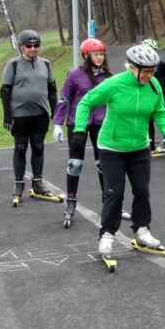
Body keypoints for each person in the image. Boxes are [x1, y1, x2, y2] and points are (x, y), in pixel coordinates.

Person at [71, 44, 165, 258]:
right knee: (115, 192)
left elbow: (159, 113)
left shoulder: (154, 85)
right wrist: (80, 130)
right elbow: (85, 103)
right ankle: (107, 235)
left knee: (141, 190)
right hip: (112, 148)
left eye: (152, 70)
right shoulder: (115, 84)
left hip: (139, 147)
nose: (149, 75)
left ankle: (142, 230)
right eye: (145, 71)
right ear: (132, 67)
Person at [53, 38, 112, 225]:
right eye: (96, 54)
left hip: (100, 124)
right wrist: (57, 123)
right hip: (76, 124)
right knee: (75, 164)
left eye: (102, 54)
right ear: (86, 55)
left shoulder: (108, 76)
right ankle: (71, 200)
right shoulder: (74, 75)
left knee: (103, 163)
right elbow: (64, 99)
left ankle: (108, 202)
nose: (100, 57)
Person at [0, 30, 58, 204]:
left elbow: (52, 90)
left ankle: (38, 182)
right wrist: (7, 115)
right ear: (22, 47)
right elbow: (5, 91)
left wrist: (55, 112)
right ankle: (19, 184)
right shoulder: (13, 64)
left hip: (40, 114)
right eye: (29, 46)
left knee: (38, 147)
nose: (33, 49)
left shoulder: (46, 64)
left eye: (36, 46)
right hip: (20, 115)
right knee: (20, 148)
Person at [141, 39, 165, 152]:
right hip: (147, 95)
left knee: (162, 118)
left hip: (163, 94)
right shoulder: (140, 66)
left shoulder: (161, 64)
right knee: (148, 120)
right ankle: (150, 144)